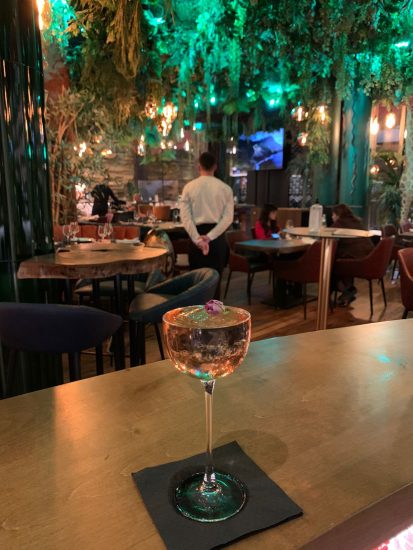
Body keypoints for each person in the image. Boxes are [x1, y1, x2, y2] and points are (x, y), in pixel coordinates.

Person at [179, 152, 234, 296]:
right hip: (217, 239)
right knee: (215, 283)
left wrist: (198, 239)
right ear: (215, 167)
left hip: (196, 236)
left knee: (196, 284)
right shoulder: (226, 189)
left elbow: (185, 217)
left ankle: (198, 310)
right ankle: (214, 310)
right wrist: (209, 237)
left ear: (199, 167)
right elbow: (228, 218)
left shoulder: (189, 187)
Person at [331, 203, 374, 306]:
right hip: (369, 259)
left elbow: (330, 239)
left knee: (330, 263)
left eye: (333, 214)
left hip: (356, 261)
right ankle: (347, 290)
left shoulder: (338, 224)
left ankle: (346, 290)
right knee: (340, 258)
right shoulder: (356, 222)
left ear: (337, 215)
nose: (332, 217)